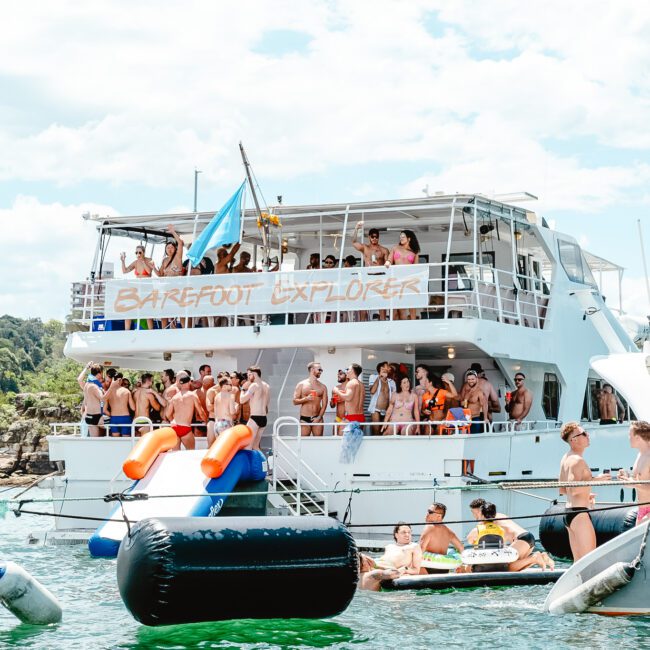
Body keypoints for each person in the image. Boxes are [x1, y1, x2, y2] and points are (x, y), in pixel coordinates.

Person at [559, 422, 612, 560]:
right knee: (590, 561)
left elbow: (563, 489)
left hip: (569, 513)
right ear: (574, 440)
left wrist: (586, 494)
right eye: (583, 433)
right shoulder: (577, 460)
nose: (587, 435)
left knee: (578, 563)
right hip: (579, 514)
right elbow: (574, 489)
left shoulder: (566, 458)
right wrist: (596, 480)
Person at [468, 498, 554, 571]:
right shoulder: (498, 515)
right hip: (527, 537)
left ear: (481, 511)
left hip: (520, 539)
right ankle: (541, 556)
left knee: (507, 567)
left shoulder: (488, 520)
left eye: (476, 513)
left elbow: (477, 538)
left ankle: (535, 557)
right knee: (518, 566)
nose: (475, 516)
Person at [618, 420, 650, 525]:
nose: (628, 437)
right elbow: (634, 484)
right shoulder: (640, 455)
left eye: (629, 434)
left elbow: (637, 484)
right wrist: (626, 477)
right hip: (642, 509)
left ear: (637, 437)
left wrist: (634, 483)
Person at [384, 229, 420, 320]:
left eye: (403, 237)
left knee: (411, 303)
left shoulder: (415, 252)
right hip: (396, 279)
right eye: (400, 237)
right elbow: (390, 259)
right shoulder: (395, 248)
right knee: (396, 304)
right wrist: (388, 262)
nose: (401, 238)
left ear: (409, 238)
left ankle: (413, 322)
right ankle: (395, 325)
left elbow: (416, 268)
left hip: (409, 280)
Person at [166, 372, 207, 450]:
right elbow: (201, 412)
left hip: (174, 426)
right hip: (185, 427)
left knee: (175, 455)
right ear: (189, 382)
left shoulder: (175, 397)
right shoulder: (192, 395)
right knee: (190, 453)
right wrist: (206, 421)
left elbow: (168, 414)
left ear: (181, 384)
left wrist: (173, 420)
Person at [120, 245, 155, 331]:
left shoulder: (149, 260)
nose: (138, 254)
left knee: (148, 313)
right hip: (137, 290)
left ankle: (151, 332)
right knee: (128, 311)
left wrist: (143, 261)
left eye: (140, 252)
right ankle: (127, 331)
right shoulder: (135, 262)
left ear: (144, 252)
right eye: (136, 252)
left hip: (147, 290)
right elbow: (125, 271)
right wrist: (123, 261)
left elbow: (149, 271)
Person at [156, 224, 185, 329]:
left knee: (180, 310)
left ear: (175, 248)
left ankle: (183, 330)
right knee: (165, 312)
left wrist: (173, 232)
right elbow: (160, 274)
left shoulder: (178, 257)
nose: (169, 249)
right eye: (167, 247)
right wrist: (153, 267)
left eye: (171, 247)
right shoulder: (164, 260)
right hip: (166, 289)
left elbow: (180, 243)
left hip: (177, 288)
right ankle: (166, 330)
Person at [293, 362, 328, 437]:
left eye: (321, 370)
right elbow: (294, 401)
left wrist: (319, 417)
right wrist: (306, 398)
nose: (321, 371)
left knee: (319, 442)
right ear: (312, 370)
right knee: (304, 443)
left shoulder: (323, 387)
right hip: (304, 419)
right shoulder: (301, 384)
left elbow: (324, 405)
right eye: (319, 369)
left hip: (318, 418)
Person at [240, 366, 270, 451]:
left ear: (253, 374)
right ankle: (264, 464)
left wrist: (243, 389)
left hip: (255, 418)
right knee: (256, 446)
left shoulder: (254, 385)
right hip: (264, 418)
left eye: (249, 375)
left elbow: (242, 400)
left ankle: (249, 465)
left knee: (248, 446)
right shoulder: (266, 386)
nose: (248, 378)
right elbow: (267, 403)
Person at [207, 377, 239, 446]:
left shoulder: (217, 396)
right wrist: (236, 407)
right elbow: (232, 412)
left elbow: (215, 411)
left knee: (219, 446)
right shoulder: (231, 396)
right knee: (228, 447)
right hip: (226, 423)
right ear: (224, 386)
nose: (231, 386)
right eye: (230, 384)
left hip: (217, 424)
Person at [332, 364, 365, 431]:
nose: (346, 371)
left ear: (352, 371)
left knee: (340, 439)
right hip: (361, 417)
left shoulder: (351, 383)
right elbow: (354, 397)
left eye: (348, 369)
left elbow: (348, 398)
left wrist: (337, 391)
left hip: (351, 417)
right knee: (356, 440)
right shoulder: (361, 384)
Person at [368, 361, 396, 433]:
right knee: (376, 432)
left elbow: (394, 396)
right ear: (381, 368)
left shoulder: (391, 382)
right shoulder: (373, 377)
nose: (389, 368)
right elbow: (372, 391)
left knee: (385, 432)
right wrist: (379, 377)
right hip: (376, 410)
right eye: (387, 366)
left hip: (387, 411)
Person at [104, 373, 135, 437]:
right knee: (126, 441)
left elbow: (104, 410)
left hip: (114, 418)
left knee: (116, 442)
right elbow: (133, 408)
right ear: (120, 380)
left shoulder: (108, 392)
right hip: (125, 418)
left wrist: (112, 415)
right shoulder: (126, 391)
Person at [82, 363, 105, 437]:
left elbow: (85, 401)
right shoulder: (94, 386)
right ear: (99, 373)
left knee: (94, 440)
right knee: (114, 429)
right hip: (97, 415)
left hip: (89, 415)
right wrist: (112, 388)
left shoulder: (87, 384)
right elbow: (103, 398)